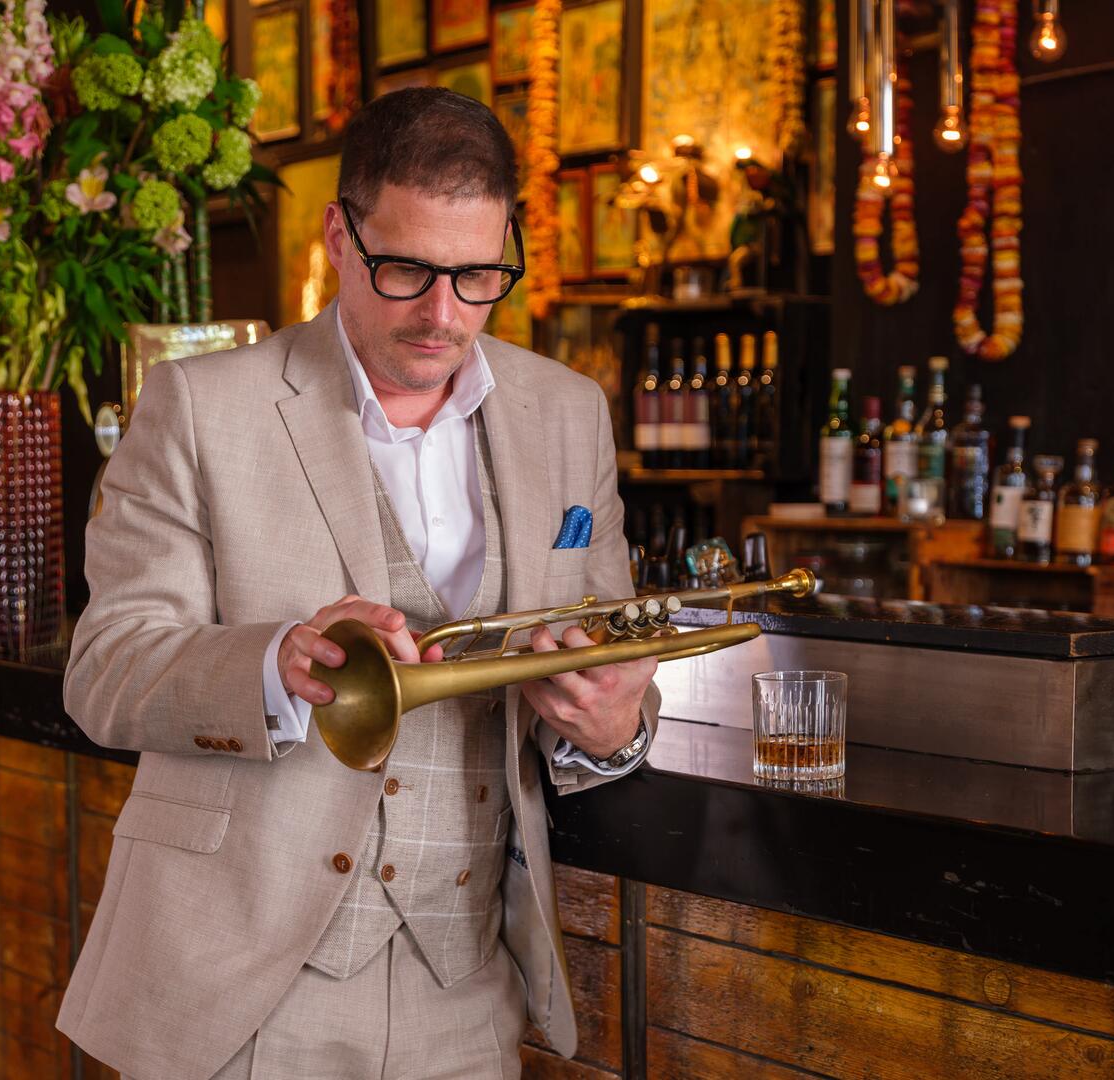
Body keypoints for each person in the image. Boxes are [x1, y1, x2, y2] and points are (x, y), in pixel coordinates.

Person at [58, 88, 661, 1080]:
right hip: (246, 989)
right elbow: (106, 671)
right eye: (406, 270)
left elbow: (609, 657)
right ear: (340, 237)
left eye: (478, 276)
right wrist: (273, 662)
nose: (442, 314)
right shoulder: (200, 405)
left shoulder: (567, 412)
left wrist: (614, 728)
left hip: (466, 988)